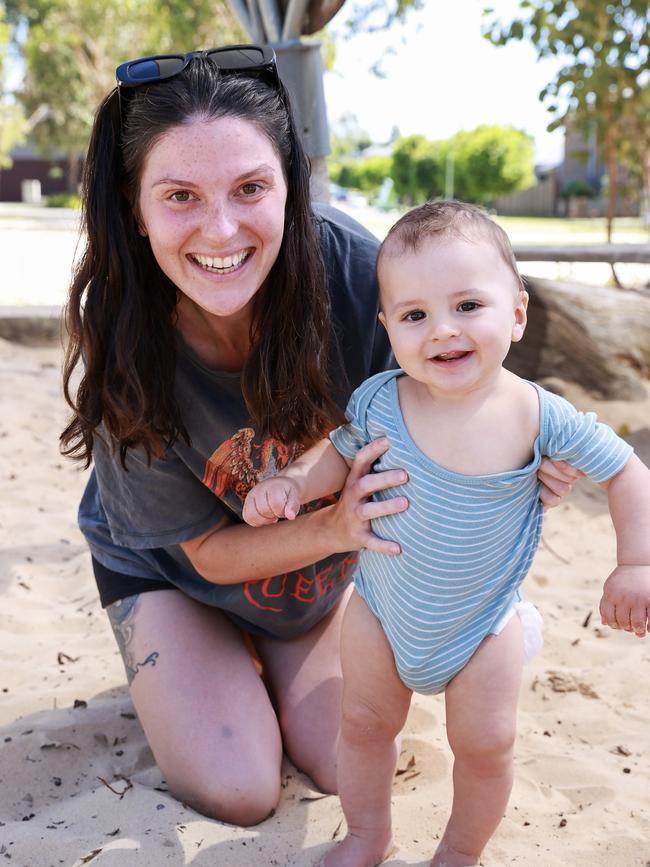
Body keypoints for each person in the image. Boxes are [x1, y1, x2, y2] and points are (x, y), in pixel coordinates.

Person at [61, 46, 578, 829]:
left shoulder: (359, 276)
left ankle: (268, 661)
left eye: (250, 188)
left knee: (344, 763)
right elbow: (207, 551)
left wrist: (524, 459)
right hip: (177, 571)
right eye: (180, 196)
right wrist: (336, 526)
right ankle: (210, 661)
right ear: (135, 206)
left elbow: (465, 394)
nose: (222, 228)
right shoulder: (123, 325)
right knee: (239, 787)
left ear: (290, 187)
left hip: (316, 577)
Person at [243, 200, 650, 866]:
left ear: (516, 313)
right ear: (389, 326)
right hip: (382, 607)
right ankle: (368, 834)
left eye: (468, 306)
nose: (442, 331)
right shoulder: (380, 398)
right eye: (415, 315)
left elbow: (630, 471)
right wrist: (293, 481)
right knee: (365, 726)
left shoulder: (538, 415)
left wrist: (636, 562)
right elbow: (338, 453)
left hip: (483, 623)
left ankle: (459, 852)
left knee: (485, 746)